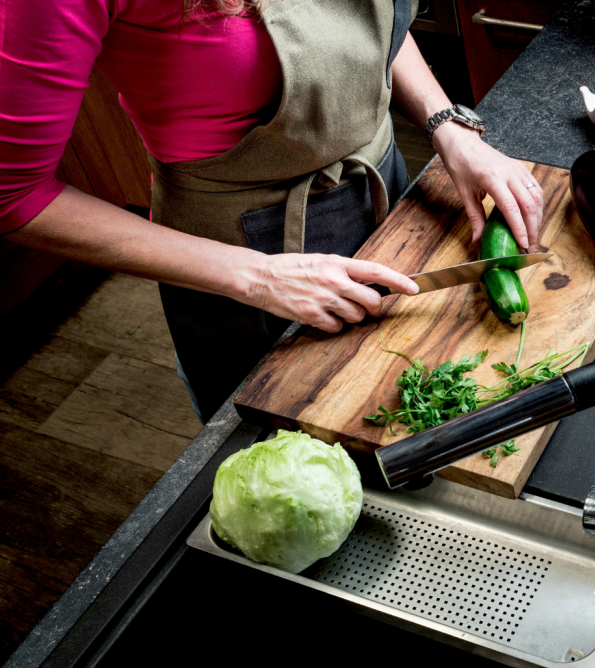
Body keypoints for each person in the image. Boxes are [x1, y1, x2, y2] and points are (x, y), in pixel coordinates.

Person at [0, 0, 544, 421]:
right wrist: (258, 277)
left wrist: (446, 123)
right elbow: (15, 197)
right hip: (245, 262)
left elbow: (356, 23)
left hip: (390, 195)